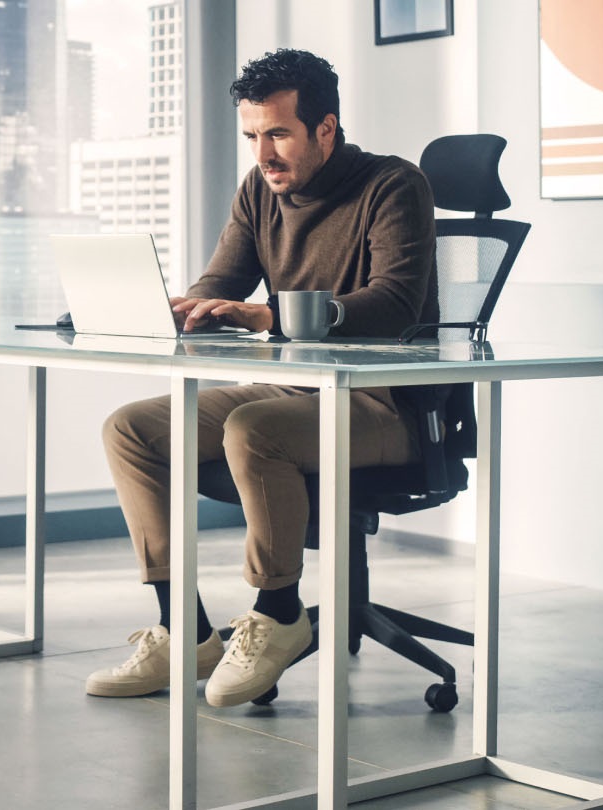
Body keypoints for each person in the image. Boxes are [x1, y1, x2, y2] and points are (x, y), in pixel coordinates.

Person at [86, 48, 438, 707]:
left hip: (387, 404)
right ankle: (183, 631)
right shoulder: (258, 191)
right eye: (253, 136)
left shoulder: (394, 185)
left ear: (324, 129)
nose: (263, 153)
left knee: (254, 429)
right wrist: (186, 306)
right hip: (293, 392)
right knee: (130, 428)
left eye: (278, 133)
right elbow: (222, 281)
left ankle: (278, 613)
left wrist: (271, 314)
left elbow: (395, 304)